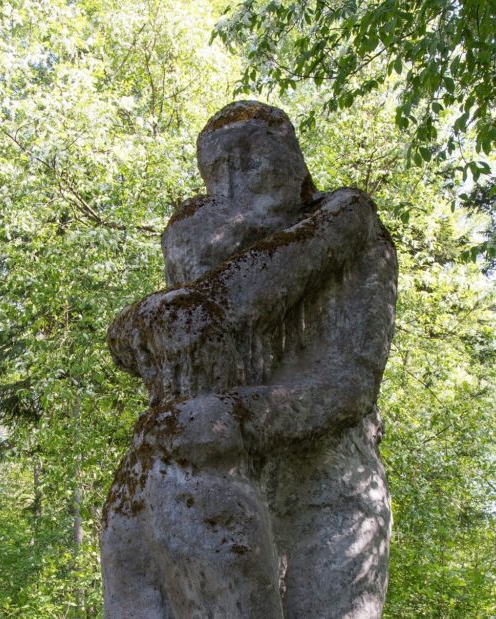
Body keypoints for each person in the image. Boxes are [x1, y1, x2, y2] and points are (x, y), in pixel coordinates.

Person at [102, 101, 397, 618]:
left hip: (325, 493)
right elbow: (164, 338)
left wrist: (235, 417)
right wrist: (157, 314)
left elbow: (350, 385)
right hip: (201, 476)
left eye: (251, 159)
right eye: (219, 168)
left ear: (292, 161)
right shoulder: (202, 237)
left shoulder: (347, 221)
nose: (235, 180)